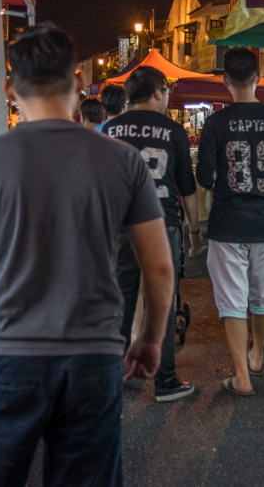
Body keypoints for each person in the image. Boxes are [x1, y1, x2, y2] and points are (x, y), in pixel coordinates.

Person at [0, 23, 174, 485]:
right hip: (94, 358)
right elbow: (159, 267)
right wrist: (150, 339)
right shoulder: (123, 161)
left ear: (8, 87)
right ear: (80, 82)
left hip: (6, 354)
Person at [196, 47, 264, 396]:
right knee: (263, 296)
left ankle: (241, 375)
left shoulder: (215, 123)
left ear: (226, 81)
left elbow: (203, 177)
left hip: (228, 222)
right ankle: (257, 354)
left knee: (232, 299)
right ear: (258, 78)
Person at [102, 66, 201, 403]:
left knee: (122, 300)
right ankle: (166, 380)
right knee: (161, 303)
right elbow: (187, 187)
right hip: (162, 225)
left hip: (120, 226)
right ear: (158, 92)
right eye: (167, 91)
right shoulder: (173, 130)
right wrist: (196, 230)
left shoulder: (110, 129)